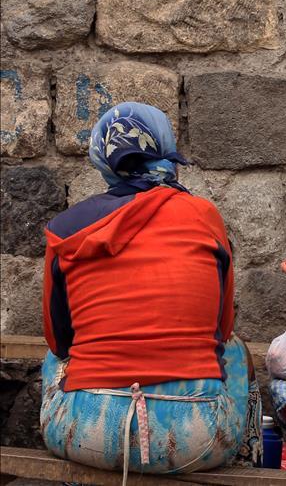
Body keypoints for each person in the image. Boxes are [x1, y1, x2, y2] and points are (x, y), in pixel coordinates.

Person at [40, 102, 261, 484]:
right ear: (163, 145)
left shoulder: (66, 229)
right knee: (236, 349)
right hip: (196, 440)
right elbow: (221, 331)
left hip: (84, 432)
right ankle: (249, 464)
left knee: (55, 356)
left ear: (103, 159)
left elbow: (59, 340)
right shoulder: (203, 217)